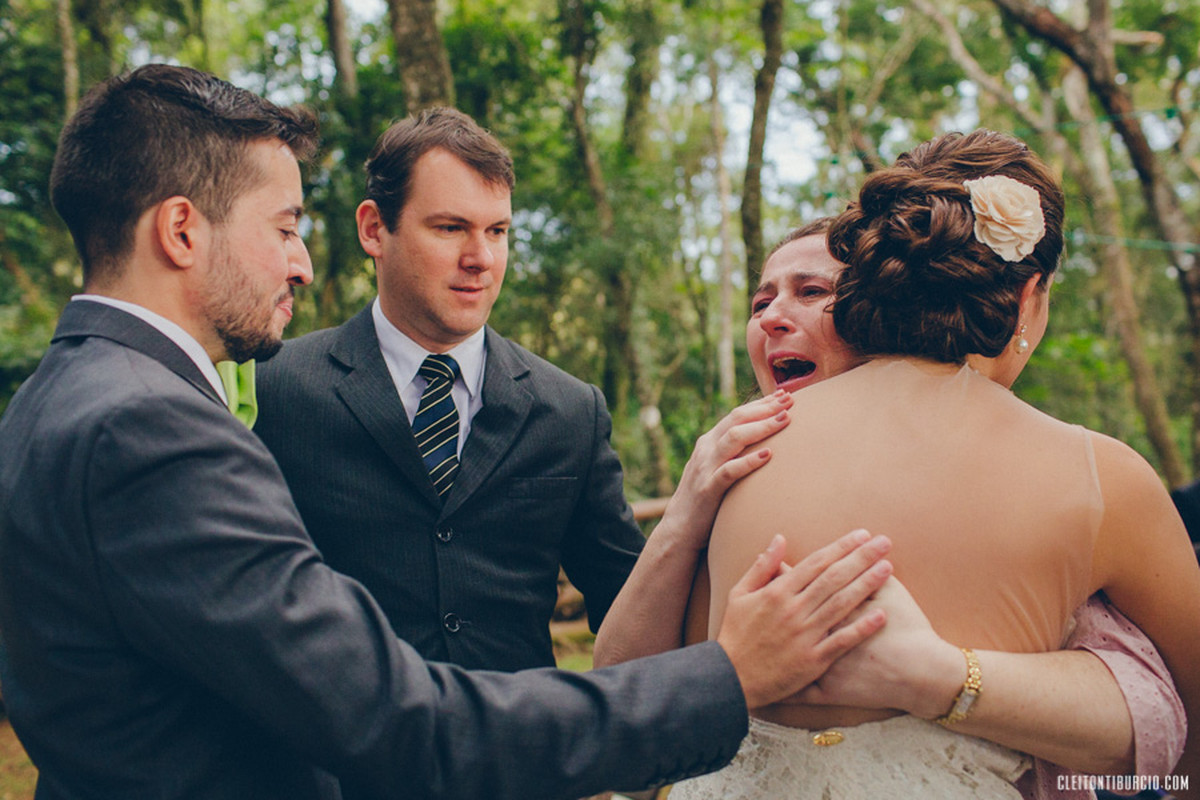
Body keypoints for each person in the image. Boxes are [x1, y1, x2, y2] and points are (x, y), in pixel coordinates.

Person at [0, 64, 900, 800]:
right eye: (282, 228)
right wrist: (728, 677)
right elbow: (396, 717)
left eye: (498, 230)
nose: (302, 263)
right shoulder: (156, 428)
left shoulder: (53, 402)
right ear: (182, 231)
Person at [673, 129, 1200, 797]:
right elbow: (1187, 733)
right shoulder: (1099, 475)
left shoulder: (741, 449)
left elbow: (666, 684)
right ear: (1026, 296)